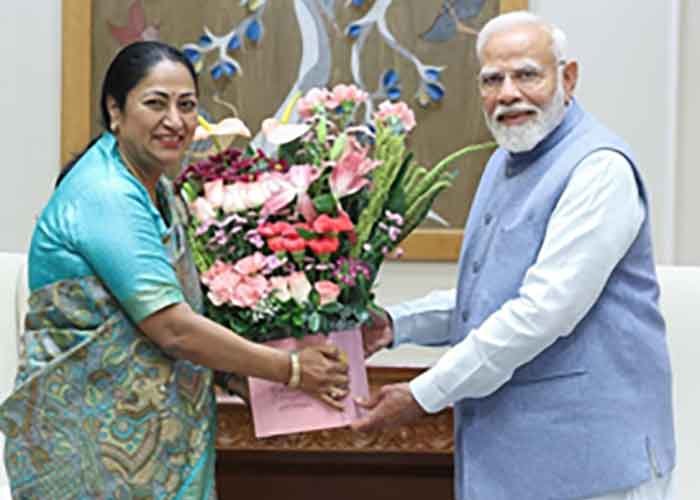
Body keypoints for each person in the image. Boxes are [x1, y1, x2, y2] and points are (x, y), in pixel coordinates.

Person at [0, 41, 349, 499]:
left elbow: (182, 311)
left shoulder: (160, 191)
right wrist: (291, 369)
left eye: (186, 105)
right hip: (91, 453)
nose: (175, 120)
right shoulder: (105, 193)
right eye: (156, 103)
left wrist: (238, 375)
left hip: (157, 443)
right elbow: (173, 329)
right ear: (115, 110)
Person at [355, 12, 676, 500]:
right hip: (512, 461)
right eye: (492, 79)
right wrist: (395, 325)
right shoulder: (503, 162)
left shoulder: (599, 170)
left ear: (568, 78)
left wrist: (423, 394)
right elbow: (489, 296)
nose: (507, 93)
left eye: (527, 74)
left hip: (593, 469)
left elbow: (541, 312)